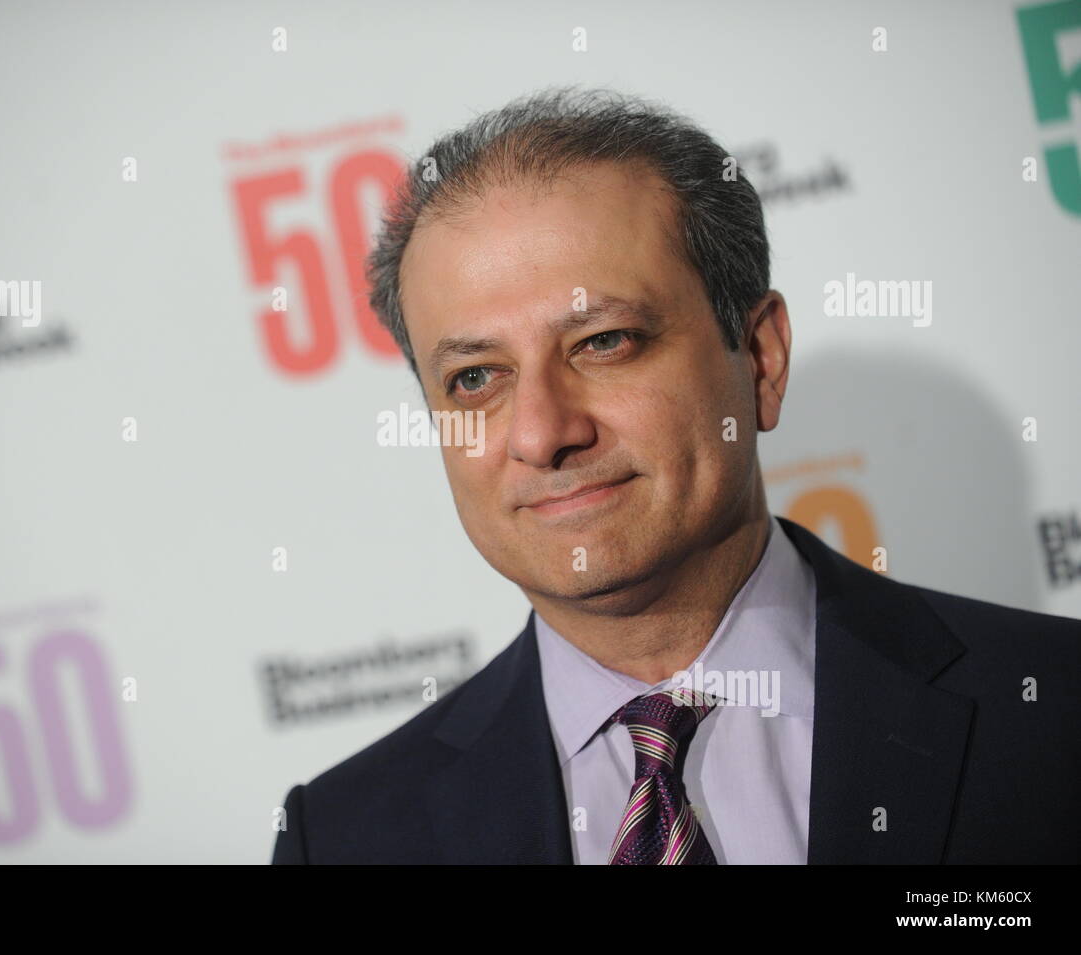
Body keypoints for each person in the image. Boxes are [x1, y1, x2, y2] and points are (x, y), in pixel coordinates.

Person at [271, 86, 1080, 864]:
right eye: (476, 378)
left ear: (760, 359)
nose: (545, 432)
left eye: (605, 342)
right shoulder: (345, 837)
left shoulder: (1053, 712)